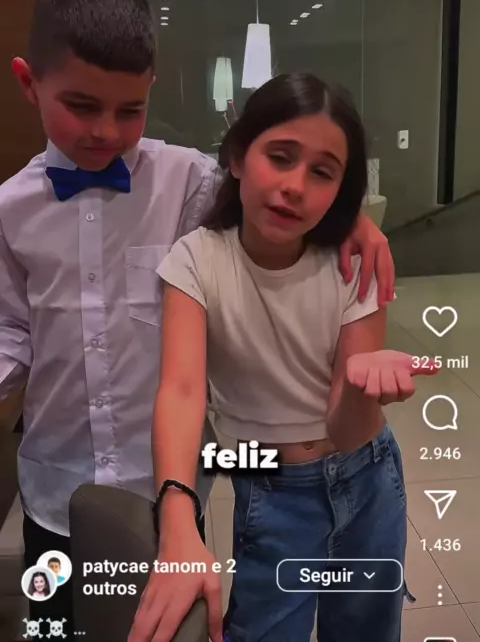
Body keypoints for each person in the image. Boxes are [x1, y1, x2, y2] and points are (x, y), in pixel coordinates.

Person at [0, 0, 392, 638]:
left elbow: (275, 186)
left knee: (168, 628)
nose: (106, 131)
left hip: (166, 483)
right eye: (82, 106)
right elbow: (11, 331)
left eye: (130, 110)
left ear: (151, 89)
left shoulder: (186, 180)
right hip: (54, 487)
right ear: (29, 83)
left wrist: (350, 214)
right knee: (58, 629)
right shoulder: (9, 210)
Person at [129, 74, 439, 642]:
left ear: (341, 189)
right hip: (269, 487)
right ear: (238, 157)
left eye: (322, 172)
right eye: (280, 157)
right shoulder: (195, 262)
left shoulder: (352, 264)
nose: (295, 186)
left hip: (367, 480)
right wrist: (176, 518)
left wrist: (360, 388)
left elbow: (348, 430)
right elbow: (181, 392)